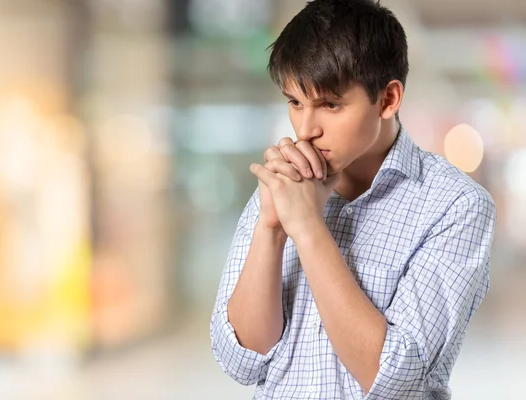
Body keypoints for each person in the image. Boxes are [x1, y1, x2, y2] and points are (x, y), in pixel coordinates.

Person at [209, 0, 496, 399]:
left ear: (388, 99)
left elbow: (394, 380)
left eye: (330, 104)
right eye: (295, 102)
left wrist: (308, 228)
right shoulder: (283, 186)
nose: (306, 129)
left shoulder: (455, 205)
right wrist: (271, 230)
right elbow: (240, 359)